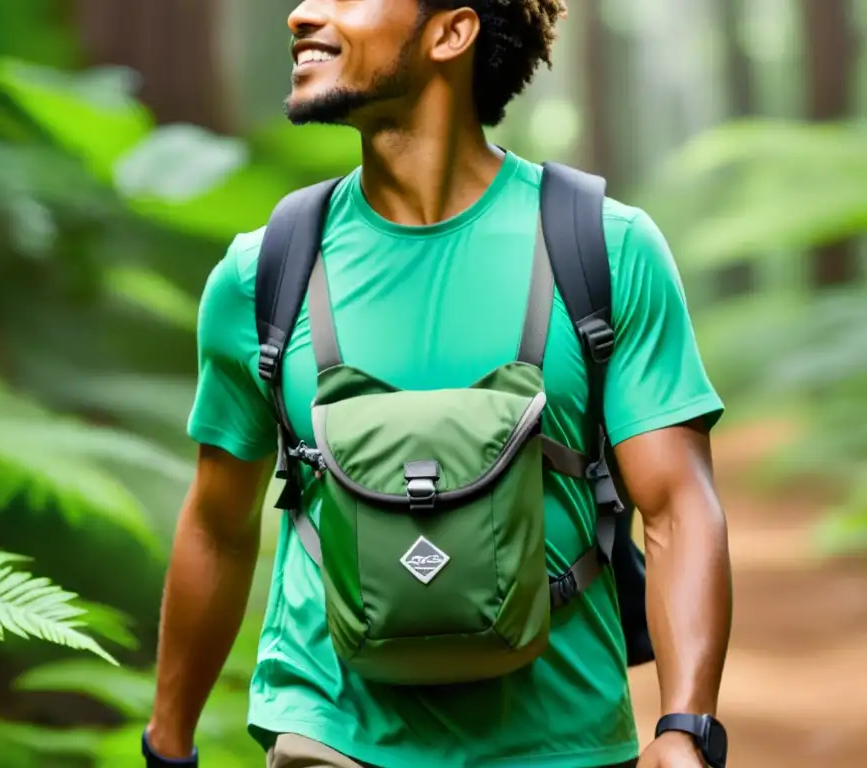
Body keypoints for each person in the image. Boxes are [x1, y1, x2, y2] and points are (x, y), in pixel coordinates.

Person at [144, 1, 733, 766]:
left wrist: (685, 727)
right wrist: (168, 744)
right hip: (329, 732)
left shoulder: (602, 249)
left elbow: (678, 505)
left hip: (562, 741)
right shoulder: (265, 274)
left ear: (451, 33)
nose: (300, 14)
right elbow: (217, 527)